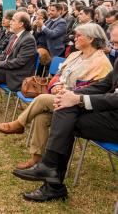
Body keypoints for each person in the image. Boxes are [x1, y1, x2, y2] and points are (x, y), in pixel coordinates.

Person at [12, 23, 118, 202]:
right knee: (66, 108)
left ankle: (52, 177)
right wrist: (72, 95)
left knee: (66, 113)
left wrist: (78, 99)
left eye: (116, 44)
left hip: (114, 119)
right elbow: (104, 85)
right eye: (113, 43)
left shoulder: (102, 59)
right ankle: (51, 174)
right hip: (109, 114)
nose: (112, 48)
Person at [0, 23, 112, 170]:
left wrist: (69, 92)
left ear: (91, 39)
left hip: (79, 104)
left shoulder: (102, 62)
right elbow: (57, 75)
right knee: (41, 117)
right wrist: (56, 85)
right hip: (60, 99)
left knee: (42, 99)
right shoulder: (75, 55)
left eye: (78, 35)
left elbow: (96, 90)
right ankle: (37, 159)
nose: (73, 38)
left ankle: (19, 124)